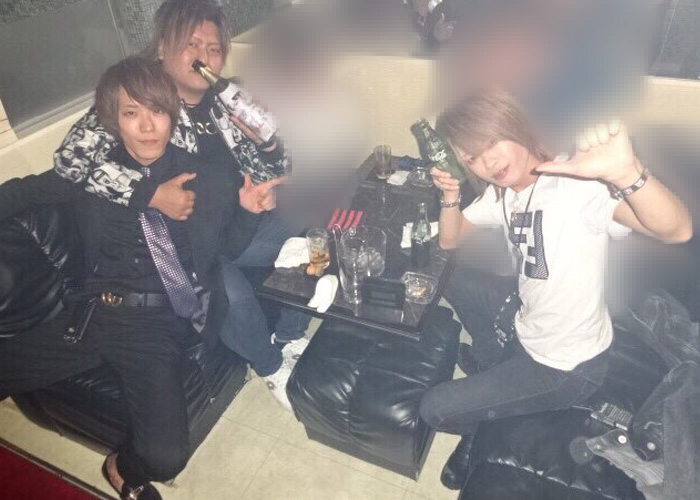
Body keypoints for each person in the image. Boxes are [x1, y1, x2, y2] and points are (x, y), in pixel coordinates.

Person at [0, 57, 273, 500]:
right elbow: (20, 193)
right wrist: (147, 197)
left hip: (155, 327)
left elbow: (229, 249)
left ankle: (120, 468)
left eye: (158, 110)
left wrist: (247, 211)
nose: (147, 126)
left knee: (166, 458)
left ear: (173, 114)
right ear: (113, 119)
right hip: (92, 315)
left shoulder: (205, 176)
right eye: (131, 112)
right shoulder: (92, 175)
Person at [419, 92, 692, 490]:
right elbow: (451, 239)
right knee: (456, 276)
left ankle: (480, 424)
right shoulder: (505, 193)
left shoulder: (576, 183)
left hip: (565, 368)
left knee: (433, 409)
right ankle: (493, 376)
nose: (487, 162)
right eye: (472, 157)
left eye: (491, 142)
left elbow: (677, 230)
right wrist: (450, 197)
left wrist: (626, 174)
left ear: (514, 125)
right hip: (528, 326)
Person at [52, 0, 310, 409]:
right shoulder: (142, 100)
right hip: (188, 248)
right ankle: (271, 366)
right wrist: (149, 193)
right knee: (232, 294)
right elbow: (70, 161)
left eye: (214, 48)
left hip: (237, 226)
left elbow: (278, 170)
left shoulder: (224, 104)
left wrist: (268, 145)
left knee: (313, 224)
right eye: (192, 44)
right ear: (162, 48)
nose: (204, 56)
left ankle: (290, 334)